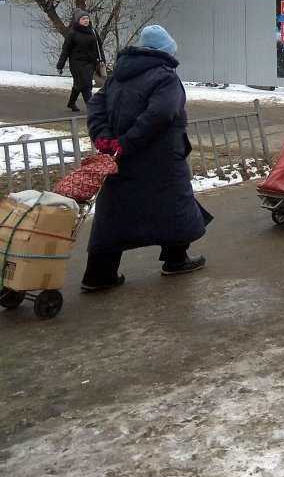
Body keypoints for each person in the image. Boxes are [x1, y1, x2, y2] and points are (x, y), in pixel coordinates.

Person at [81, 24, 212, 291]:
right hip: (161, 160)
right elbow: (161, 114)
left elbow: (96, 105)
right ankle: (176, 260)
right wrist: (126, 143)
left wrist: (105, 139)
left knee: (114, 214)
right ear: (165, 52)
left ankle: (99, 274)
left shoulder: (117, 76)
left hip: (121, 160)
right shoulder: (165, 77)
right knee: (173, 206)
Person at [56, 10, 105, 113]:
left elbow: (99, 46)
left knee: (79, 84)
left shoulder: (93, 31)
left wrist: (102, 59)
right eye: (83, 19)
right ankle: (92, 108)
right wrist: (60, 65)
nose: (86, 20)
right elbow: (65, 50)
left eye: (87, 18)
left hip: (90, 63)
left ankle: (71, 103)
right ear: (78, 21)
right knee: (86, 84)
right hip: (77, 64)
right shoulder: (72, 34)